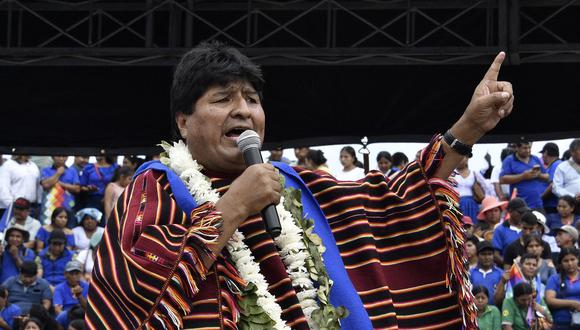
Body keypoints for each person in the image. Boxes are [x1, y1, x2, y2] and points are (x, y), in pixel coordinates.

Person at [86, 42, 514, 329]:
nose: (243, 110)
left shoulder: (295, 185)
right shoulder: (157, 187)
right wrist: (233, 206)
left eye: (252, 99)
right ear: (183, 121)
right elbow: (135, 288)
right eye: (222, 99)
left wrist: (468, 127)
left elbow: (392, 199)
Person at [500, 141, 550, 210]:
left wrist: (538, 175)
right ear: (517, 148)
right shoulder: (509, 160)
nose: (528, 150)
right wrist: (523, 176)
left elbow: (547, 177)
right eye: (525, 148)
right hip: (519, 206)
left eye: (529, 147)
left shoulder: (535, 159)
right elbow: (502, 179)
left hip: (537, 204)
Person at [545, 247, 580, 329]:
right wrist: (574, 303)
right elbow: (550, 300)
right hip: (561, 324)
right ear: (561, 263)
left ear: (578, 260)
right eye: (566, 261)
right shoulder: (554, 279)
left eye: (572, 259)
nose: (570, 263)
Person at [39, 156, 80, 223]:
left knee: (67, 230)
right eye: (58, 156)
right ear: (52, 157)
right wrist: (58, 173)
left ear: (67, 157)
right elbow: (45, 185)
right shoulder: (45, 170)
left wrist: (60, 184)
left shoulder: (72, 170)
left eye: (64, 156)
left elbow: (77, 189)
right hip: (48, 208)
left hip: (68, 208)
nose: (61, 158)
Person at [493, 198, 530, 266]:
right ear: (510, 211)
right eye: (520, 212)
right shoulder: (500, 230)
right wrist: (510, 265)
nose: (523, 214)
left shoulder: (529, 228)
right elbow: (495, 255)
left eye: (524, 212)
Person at [469, 241, 504, 306]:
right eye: (483, 254)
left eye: (489, 254)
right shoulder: (470, 273)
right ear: (477, 255)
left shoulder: (501, 273)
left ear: (493, 255)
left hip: (495, 312)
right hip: (474, 311)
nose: (487, 257)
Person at [455, 157, 486, 223]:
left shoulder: (474, 173)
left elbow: (486, 186)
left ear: (467, 158)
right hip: (456, 203)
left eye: (462, 158)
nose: (459, 160)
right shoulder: (452, 173)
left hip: (472, 203)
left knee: (472, 223)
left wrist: (484, 203)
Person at [553, 139, 580, 203]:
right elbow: (556, 188)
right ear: (572, 152)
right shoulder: (562, 167)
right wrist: (573, 197)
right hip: (571, 204)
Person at [540, 142, 563, 215]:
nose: (542, 156)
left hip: (553, 207)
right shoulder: (554, 165)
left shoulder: (557, 164)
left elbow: (553, 185)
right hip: (551, 206)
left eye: (542, 153)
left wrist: (540, 198)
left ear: (546, 152)